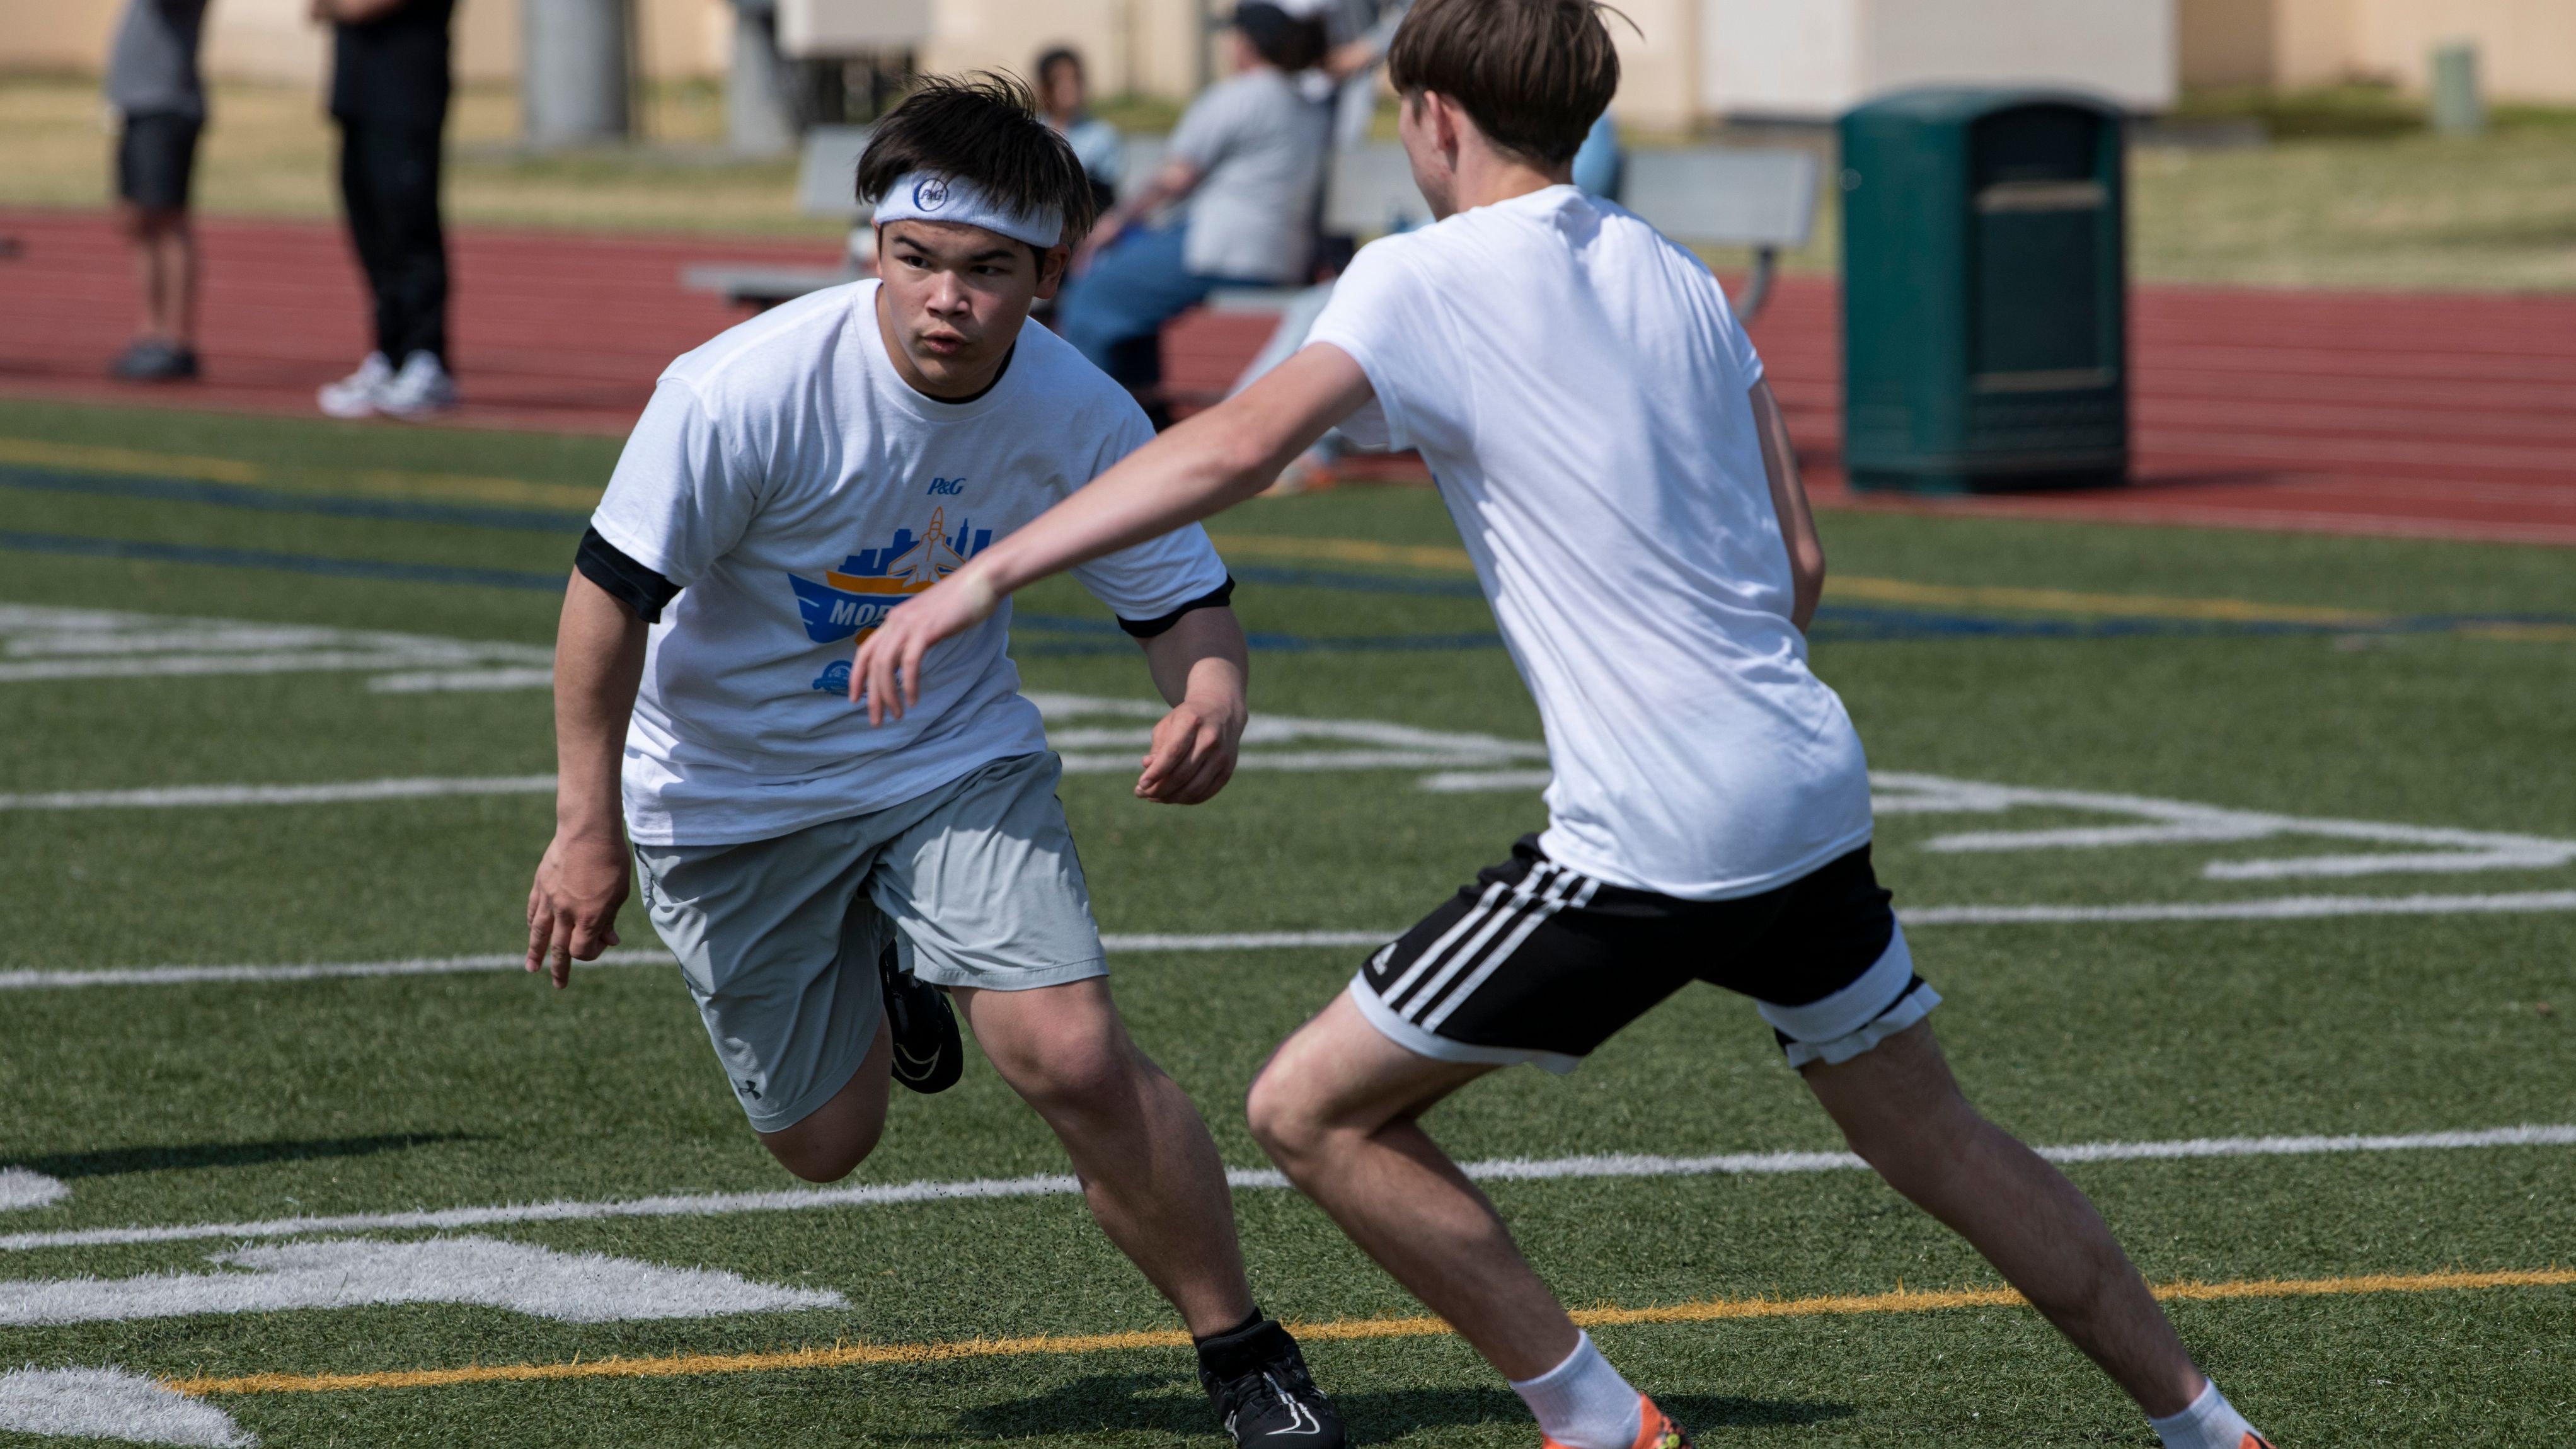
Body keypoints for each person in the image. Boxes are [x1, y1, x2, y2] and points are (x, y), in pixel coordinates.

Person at [844, 4, 2282, 1449]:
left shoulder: (1420, 275)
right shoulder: (1675, 271)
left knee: (1311, 1111)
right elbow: (1801, 569)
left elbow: (1233, 443)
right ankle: (2209, 1424)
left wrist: (982, 573)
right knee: (1943, 1138)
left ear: (1435, 117)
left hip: (1660, 827)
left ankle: (1595, 1415)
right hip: (1803, 777)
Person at [519, 74, 1346, 1449]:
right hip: (728, 791)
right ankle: (897, 960)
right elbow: (606, 597)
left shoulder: (1080, 411)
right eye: (916, 260)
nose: (945, 298)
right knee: (825, 1143)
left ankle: (1244, 1353)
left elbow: (1179, 595)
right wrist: (582, 825)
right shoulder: (739, 389)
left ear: (1047, 276)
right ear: (875, 248)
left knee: (1068, 1053)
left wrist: (1213, 691)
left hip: (945, 755)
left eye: (986, 270)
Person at [1050, 3, 1330, 411]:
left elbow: (1175, 177)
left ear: (1247, 43)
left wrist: (1114, 223)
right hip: (1282, 254)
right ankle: (1146, 412)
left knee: (1095, 292)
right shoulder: (1305, 102)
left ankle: (1092, 419)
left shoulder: (1241, 95)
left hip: (1223, 249)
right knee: (1129, 296)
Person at [313, 0, 457, 419]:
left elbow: (359, 7)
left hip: (406, 94)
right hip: (357, 95)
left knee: (408, 229)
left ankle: (426, 360)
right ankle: (388, 354)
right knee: (370, 232)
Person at [104, 0, 210, 382]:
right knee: (137, 219)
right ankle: (150, 332)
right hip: (135, 104)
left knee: (167, 219)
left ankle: (177, 340)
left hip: (167, 103)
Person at [1035, 47, 1122, 214]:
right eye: (1060, 80)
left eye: (1076, 79)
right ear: (1045, 86)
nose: (1070, 87)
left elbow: (1106, 195)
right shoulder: (1031, 129)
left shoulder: (1103, 135)